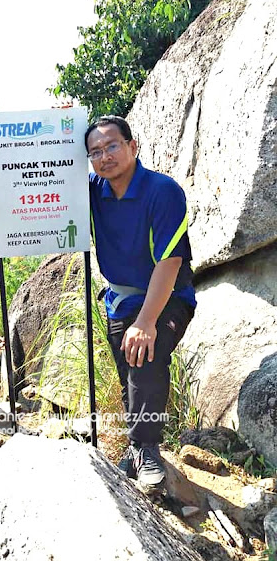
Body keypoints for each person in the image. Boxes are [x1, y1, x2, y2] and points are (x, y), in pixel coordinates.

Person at [86, 115, 196, 496]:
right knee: (128, 374)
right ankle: (136, 449)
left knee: (144, 355)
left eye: (112, 146)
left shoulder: (162, 190)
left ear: (133, 147)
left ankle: (147, 448)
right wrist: (61, 126)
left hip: (166, 295)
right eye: (95, 152)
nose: (105, 156)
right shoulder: (94, 190)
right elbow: (51, 174)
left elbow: (170, 261)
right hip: (120, 299)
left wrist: (147, 321)